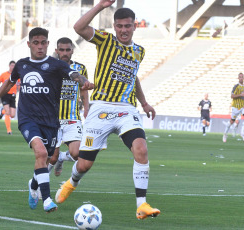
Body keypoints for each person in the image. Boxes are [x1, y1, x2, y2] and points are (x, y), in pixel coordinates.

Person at [55, 1, 160, 220]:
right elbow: (78, 28)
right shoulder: (105, 41)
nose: (123, 30)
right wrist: (101, 6)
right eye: (120, 26)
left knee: (141, 149)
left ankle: (142, 205)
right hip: (100, 107)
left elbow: (134, 78)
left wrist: (144, 103)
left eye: (128, 26)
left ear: (134, 27)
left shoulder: (139, 51)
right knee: (84, 164)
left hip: (126, 109)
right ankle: (71, 182)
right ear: (114, 27)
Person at [0, 27, 94, 213]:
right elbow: (9, 83)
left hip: (51, 121)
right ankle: (47, 200)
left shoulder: (56, 65)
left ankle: (33, 184)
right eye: (36, 43)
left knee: (48, 158)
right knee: (42, 154)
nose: (40, 46)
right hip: (28, 119)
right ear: (29, 44)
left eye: (43, 43)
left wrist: (83, 81)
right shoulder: (21, 65)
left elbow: (74, 75)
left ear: (48, 44)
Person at [47, 37, 89, 177]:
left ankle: (62, 157)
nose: (65, 53)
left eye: (67, 50)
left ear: (72, 51)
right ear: (56, 51)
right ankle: (39, 185)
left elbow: (83, 89)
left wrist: (87, 109)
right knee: (51, 157)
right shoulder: (50, 68)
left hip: (72, 117)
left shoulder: (80, 68)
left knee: (77, 153)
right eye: (62, 50)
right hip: (53, 119)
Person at [223, 72, 244, 142]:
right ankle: (225, 134)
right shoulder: (236, 86)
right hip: (236, 106)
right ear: (238, 78)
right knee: (232, 121)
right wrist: (240, 95)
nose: (241, 78)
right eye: (240, 77)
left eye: (242, 77)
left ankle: (242, 134)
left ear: (243, 78)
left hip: (243, 106)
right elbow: (232, 96)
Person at [0, 60, 19, 134]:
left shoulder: (17, 75)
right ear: (9, 66)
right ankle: (9, 130)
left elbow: (19, 85)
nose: (13, 67)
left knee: (12, 115)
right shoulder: (4, 74)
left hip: (13, 95)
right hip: (5, 94)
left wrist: (20, 87)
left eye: (14, 66)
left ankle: (3, 111)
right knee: (8, 112)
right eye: (12, 65)